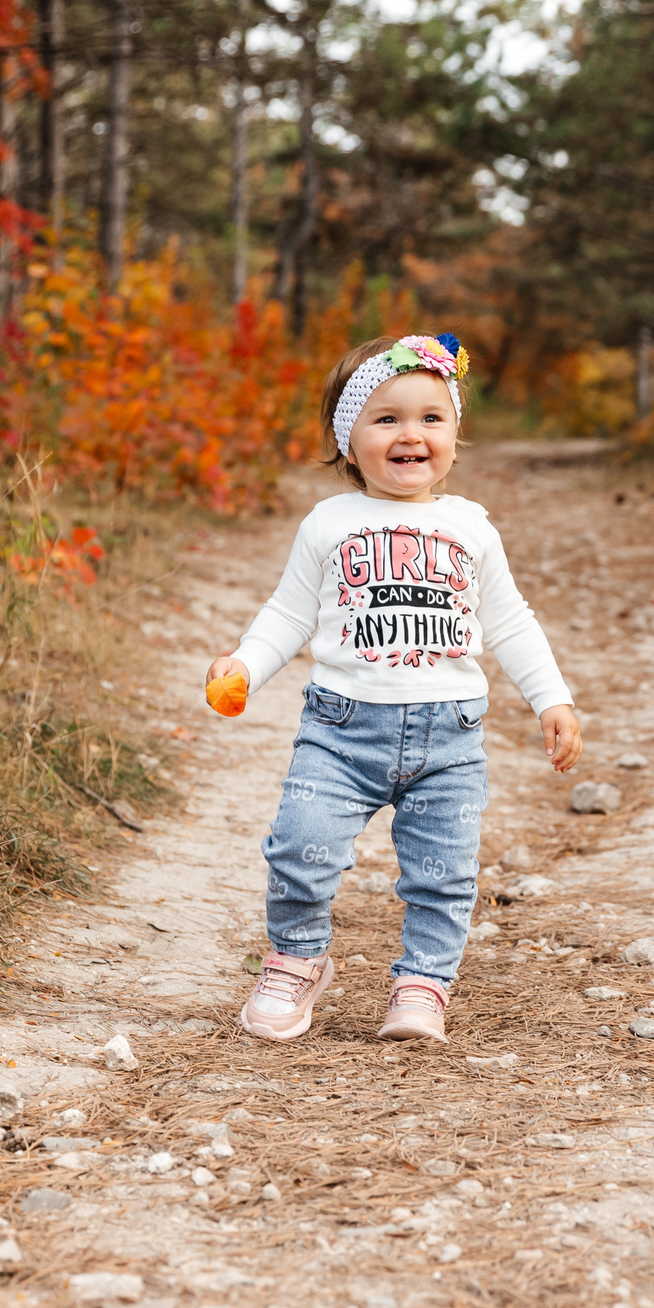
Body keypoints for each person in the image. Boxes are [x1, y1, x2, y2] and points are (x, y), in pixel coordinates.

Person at [204, 332, 582, 1046]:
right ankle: (296, 959)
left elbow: (511, 621)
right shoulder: (330, 523)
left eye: (431, 418)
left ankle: (423, 984)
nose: (411, 434)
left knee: (443, 872)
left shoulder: (470, 526)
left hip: (450, 737)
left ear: (455, 434)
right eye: (387, 419)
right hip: (341, 732)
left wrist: (551, 697)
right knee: (299, 847)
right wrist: (247, 666)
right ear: (349, 440)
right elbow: (289, 613)